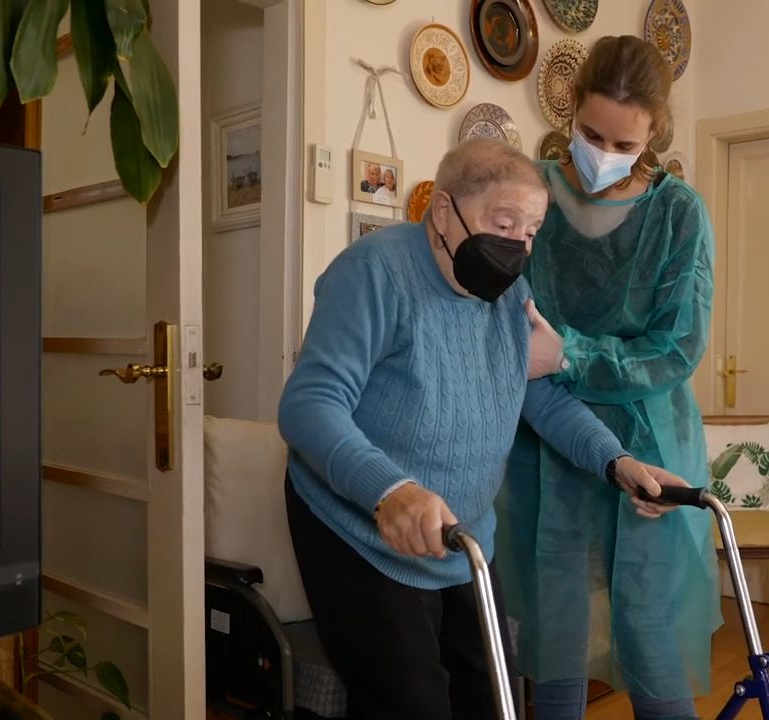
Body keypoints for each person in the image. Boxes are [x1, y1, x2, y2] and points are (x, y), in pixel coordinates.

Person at [279, 138, 689, 720]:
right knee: (412, 702)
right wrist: (390, 490)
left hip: (462, 534)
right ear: (443, 211)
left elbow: (538, 396)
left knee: (493, 698)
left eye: (531, 232)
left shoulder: (508, 295)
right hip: (361, 530)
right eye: (503, 222)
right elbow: (309, 405)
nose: (517, 246)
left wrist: (617, 462)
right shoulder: (374, 272)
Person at [496, 35, 721, 720]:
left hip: (650, 438)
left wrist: (568, 355)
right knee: (555, 628)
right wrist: (548, 362)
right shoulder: (530, 193)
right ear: (569, 108)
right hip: (549, 440)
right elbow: (509, 327)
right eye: (592, 134)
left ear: (655, 133)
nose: (603, 155)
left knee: (650, 631)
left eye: (624, 145)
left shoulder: (677, 212)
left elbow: (676, 348)